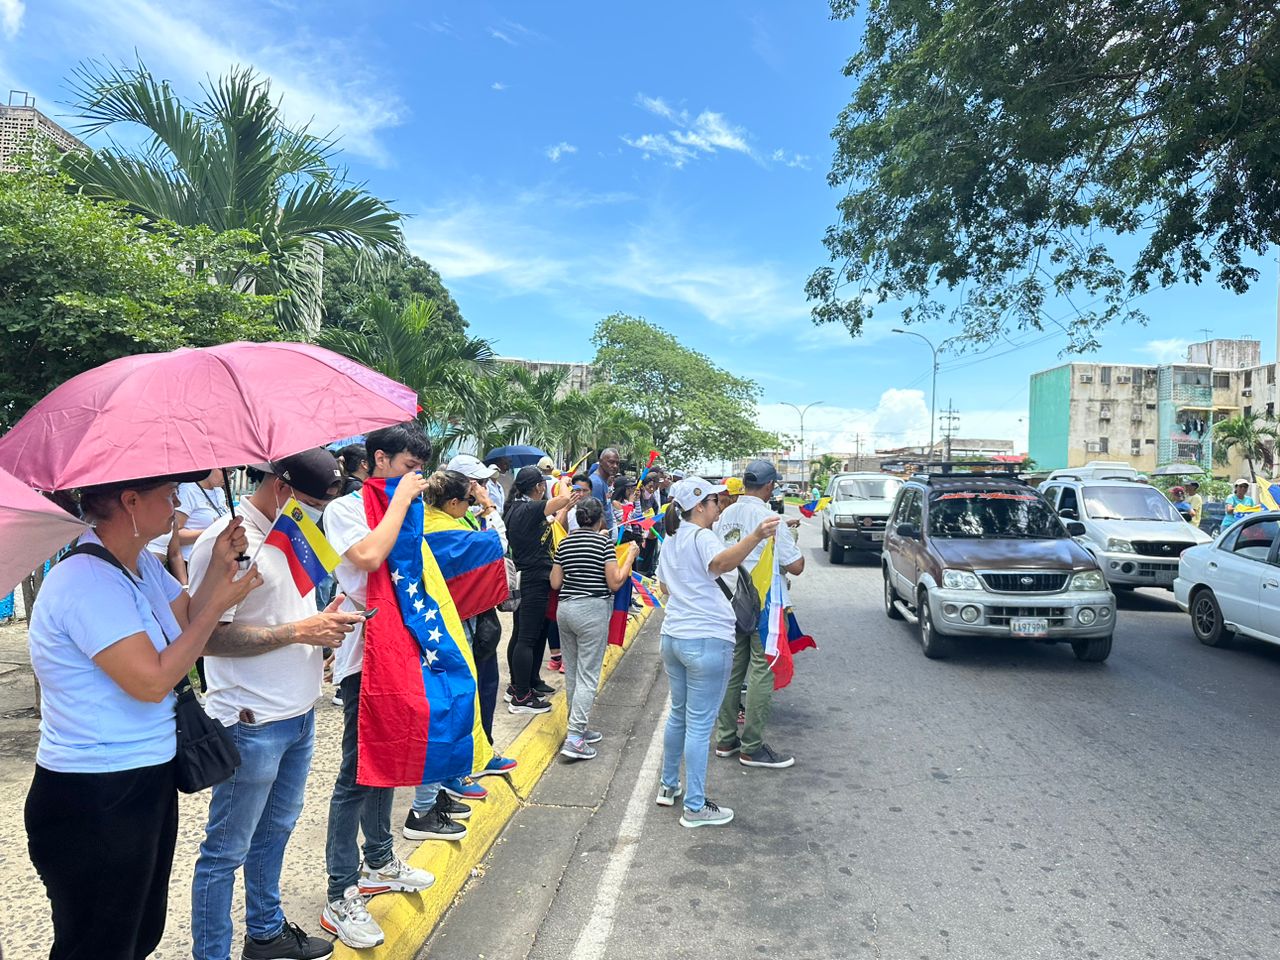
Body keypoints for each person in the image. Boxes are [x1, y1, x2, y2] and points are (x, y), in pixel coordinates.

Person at [25, 471, 261, 960]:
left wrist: (218, 567)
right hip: (94, 794)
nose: (178, 503)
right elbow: (152, 681)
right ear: (130, 501)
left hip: (144, 776)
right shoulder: (85, 581)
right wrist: (219, 605)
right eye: (168, 495)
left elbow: (185, 620)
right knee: (99, 942)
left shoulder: (139, 566)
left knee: (138, 931)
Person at [188, 450, 359, 960]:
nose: (319, 512)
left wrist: (319, 625)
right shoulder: (228, 543)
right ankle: (212, 953)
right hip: (251, 720)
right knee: (225, 851)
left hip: (298, 713)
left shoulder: (295, 531)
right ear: (282, 487)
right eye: (311, 501)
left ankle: (264, 932)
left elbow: (289, 610)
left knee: (275, 833)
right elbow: (205, 639)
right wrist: (297, 631)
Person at [321, 423, 435, 950]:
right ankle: (340, 890)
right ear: (380, 459)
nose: (414, 479)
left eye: (419, 472)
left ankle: (380, 860)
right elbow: (367, 558)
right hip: (363, 658)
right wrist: (403, 501)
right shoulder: (346, 508)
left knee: (389, 760)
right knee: (355, 774)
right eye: (408, 468)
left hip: (400, 653)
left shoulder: (403, 506)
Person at [653, 476, 780, 828]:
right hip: (707, 638)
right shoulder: (702, 536)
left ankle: (668, 786)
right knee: (698, 724)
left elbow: (664, 585)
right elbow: (721, 564)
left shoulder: (672, 539)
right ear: (700, 505)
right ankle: (694, 806)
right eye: (715, 501)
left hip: (674, 636)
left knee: (678, 715)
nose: (719, 507)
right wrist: (756, 536)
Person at [402, 467, 518, 842]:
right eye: (469, 497)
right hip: (447, 627)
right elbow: (497, 544)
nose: (474, 501)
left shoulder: (430, 523)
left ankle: (443, 787)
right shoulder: (445, 531)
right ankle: (441, 787)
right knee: (450, 703)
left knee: (456, 700)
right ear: (454, 502)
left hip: (438, 624)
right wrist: (489, 510)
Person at [713, 461, 806, 770]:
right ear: (769, 487)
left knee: (733, 669)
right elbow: (796, 566)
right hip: (764, 600)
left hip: (730, 599)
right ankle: (752, 747)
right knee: (762, 669)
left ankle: (726, 739)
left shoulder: (725, 514)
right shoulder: (770, 519)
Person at [551, 497, 639, 760]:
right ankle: (576, 736)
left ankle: (576, 727)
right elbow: (615, 582)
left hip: (565, 610)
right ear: (600, 519)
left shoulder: (565, 541)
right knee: (588, 676)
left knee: (574, 674)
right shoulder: (604, 543)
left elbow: (555, 582)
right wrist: (630, 558)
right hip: (592, 611)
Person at [504, 465, 578, 714]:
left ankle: (524, 684)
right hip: (533, 578)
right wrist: (565, 480)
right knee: (526, 637)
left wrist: (565, 508)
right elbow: (564, 497)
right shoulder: (528, 508)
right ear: (538, 487)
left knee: (527, 634)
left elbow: (551, 525)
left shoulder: (520, 508)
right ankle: (521, 697)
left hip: (531, 576)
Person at [164, 468, 230, 585]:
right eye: (224, 471)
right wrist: (211, 532)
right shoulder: (188, 490)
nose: (227, 477)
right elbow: (174, 535)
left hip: (214, 561)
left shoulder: (219, 491)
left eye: (231, 472)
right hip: (191, 562)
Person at [589, 448, 621, 537]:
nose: (615, 466)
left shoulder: (603, 481)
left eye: (617, 463)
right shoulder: (596, 483)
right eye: (611, 462)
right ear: (601, 462)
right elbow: (597, 513)